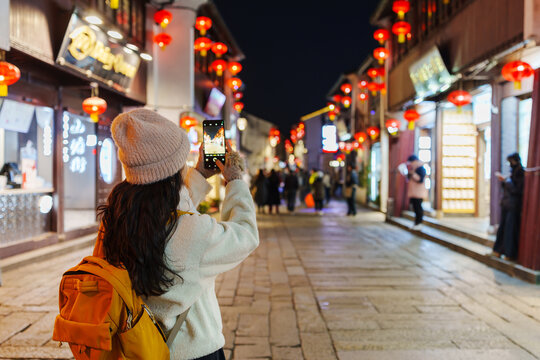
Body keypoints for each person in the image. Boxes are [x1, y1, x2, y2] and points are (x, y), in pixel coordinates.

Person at [95, 109, 259, 360]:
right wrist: (235, 180)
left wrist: (199, 176)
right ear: (173, 170)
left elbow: (168, 215)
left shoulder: (116, 218)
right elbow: (245, 234)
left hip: (135, 347)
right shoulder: (193, 232)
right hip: (193, 352)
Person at [492, 153, 525, 260]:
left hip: (513, 205)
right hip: (507, 204)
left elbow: (517, 190)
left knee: (510, 229)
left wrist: (507, 181)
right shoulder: (513, 172)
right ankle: (498, 250)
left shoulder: (520, 172)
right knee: (503, 228)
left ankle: (509, 253)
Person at [405, 155, 428, 230]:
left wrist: (413, 174)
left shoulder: (421, 169)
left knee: (418, 208)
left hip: (419, 192)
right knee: (415, 208)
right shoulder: (414, 169)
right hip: (413, 192)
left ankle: (419, 223)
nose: (410, 164)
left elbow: (420, 180)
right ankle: (416, 223)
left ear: (414, 161)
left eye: (411, 162)